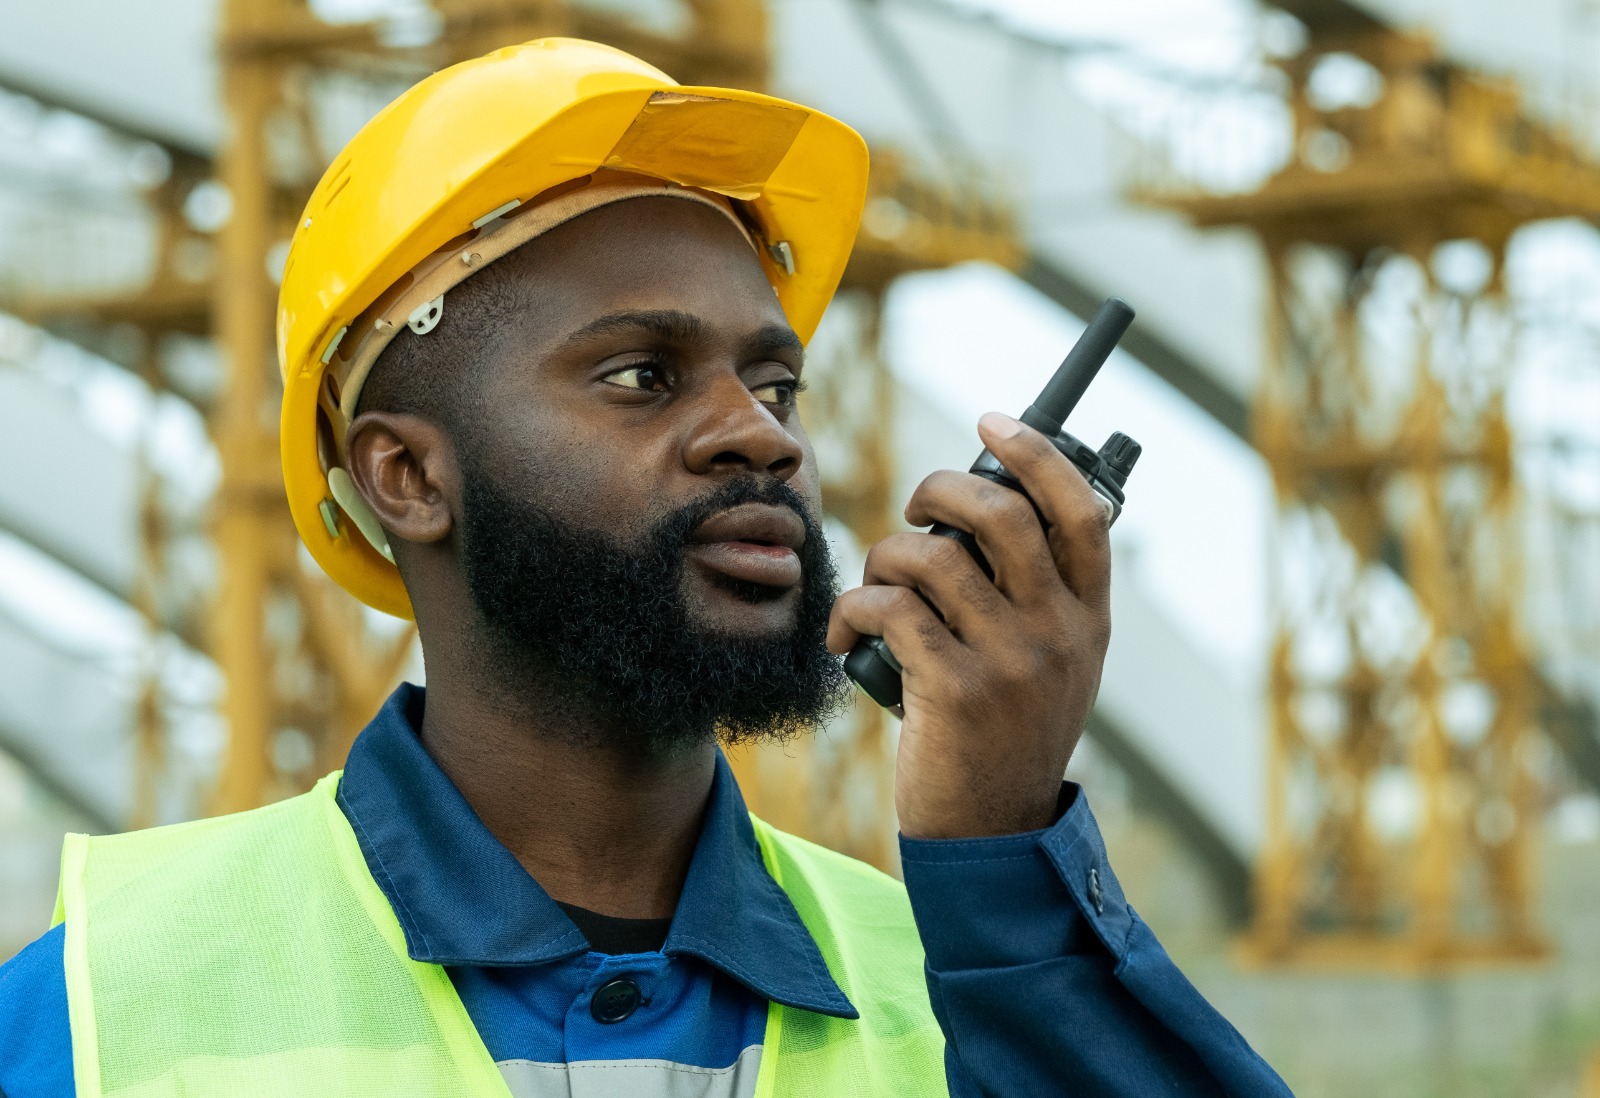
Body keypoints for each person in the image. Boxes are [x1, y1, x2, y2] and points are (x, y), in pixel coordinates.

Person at [0, 38, 1291, 1098]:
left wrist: (1004, 858)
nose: (763, 433)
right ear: (408, 476)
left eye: (776, 380)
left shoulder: (958, 981)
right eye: (639, 375)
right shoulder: (106, 1007)